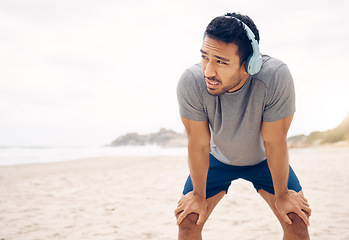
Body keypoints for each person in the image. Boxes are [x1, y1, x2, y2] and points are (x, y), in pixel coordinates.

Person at [174, 12, 312, 240]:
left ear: (250, 64)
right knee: (188, 220)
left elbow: (274, 142)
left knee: (296, 220)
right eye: (205, 57)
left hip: (265, 159)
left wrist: (283, 195)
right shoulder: (191, 81)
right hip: (216, 159)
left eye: (221, 61)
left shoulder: (275, 77)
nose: (208, 71)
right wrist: (198, 196)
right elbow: (198, 143)